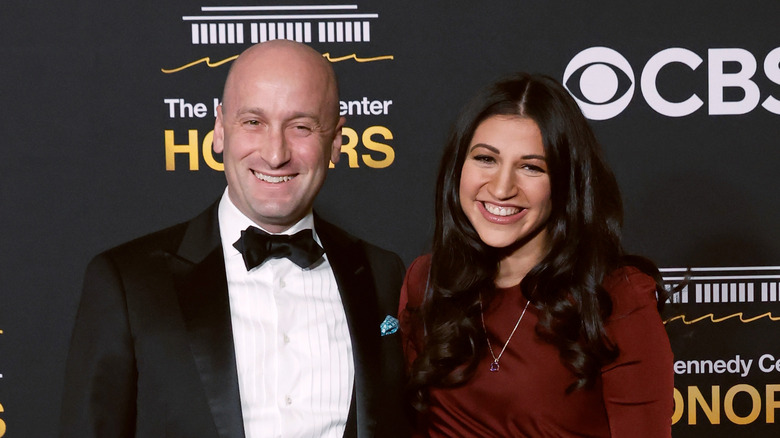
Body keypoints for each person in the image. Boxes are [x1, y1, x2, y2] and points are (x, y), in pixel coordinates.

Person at [60, 40, 409, 438]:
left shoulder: (383, 274)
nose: (275, 154)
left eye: (301, 127)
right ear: (220, 130)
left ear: (336, 141)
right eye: (253, 122)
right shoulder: (128, 282)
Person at [399, 72, 673, 437]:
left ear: (564, 183)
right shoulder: (427, 280)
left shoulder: (615, 297)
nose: (501, 188)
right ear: (457, 168)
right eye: (485, 159)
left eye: (531, 167)